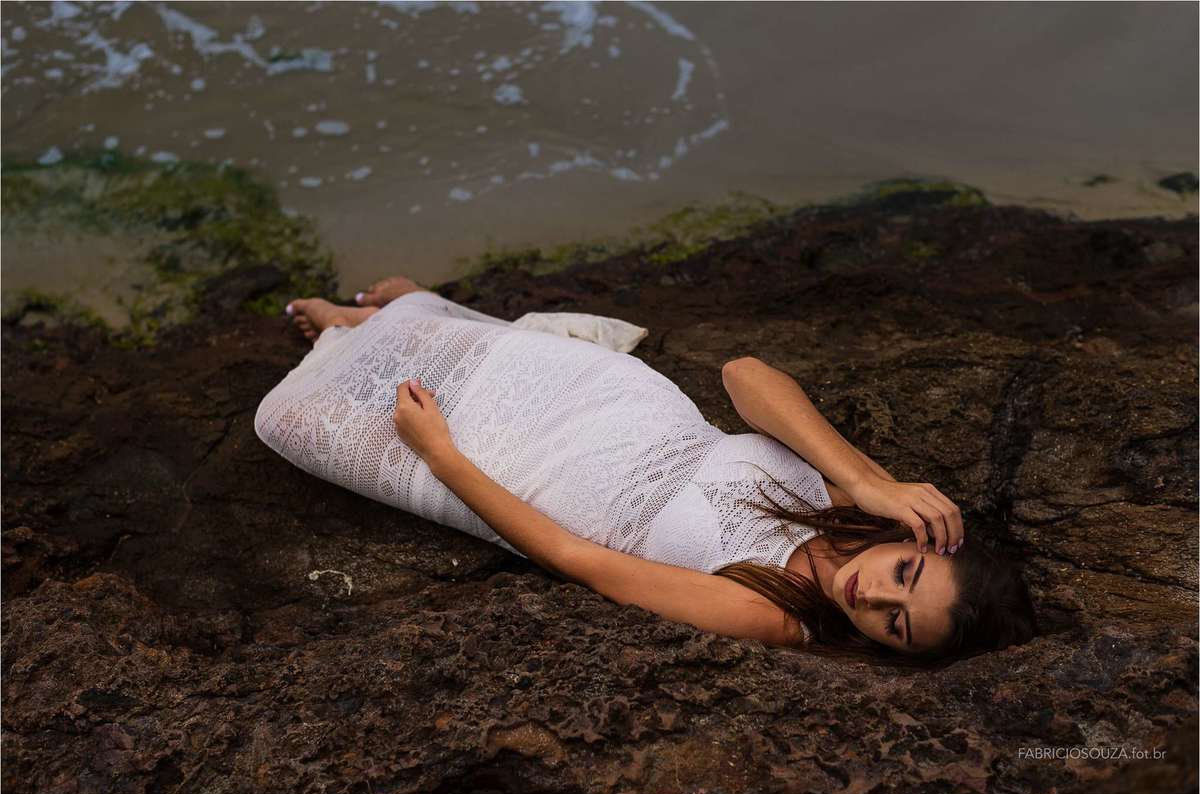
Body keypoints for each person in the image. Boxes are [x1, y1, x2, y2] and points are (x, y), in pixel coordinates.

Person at [256, 276, 1036, 666]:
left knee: (286, 422)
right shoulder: (849, 505)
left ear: (889, 649)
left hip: (533, 474)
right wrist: (868, 481)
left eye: (896, 623)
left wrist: (442, 458)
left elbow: (579, 559)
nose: (877, 594)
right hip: (609, 398)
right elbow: (743, 376)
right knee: (421, 346)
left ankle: (381, 321)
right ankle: (379, 317)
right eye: (905, 572)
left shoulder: (774, 613)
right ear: (916, 542)